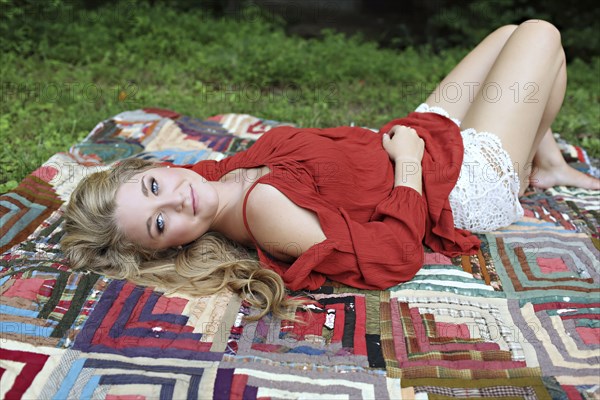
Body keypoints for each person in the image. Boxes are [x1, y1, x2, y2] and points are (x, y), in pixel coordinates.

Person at [61, 20, 600, 319]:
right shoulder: (263, 210)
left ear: (156, 166)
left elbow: (185, 183)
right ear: (171, 247)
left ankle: (546, 164)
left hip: (413, 138)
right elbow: (391, 258)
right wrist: (408, 163)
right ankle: (524, 166)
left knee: (507, 36)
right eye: (160, 223)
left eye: (154, 185)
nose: (177, 200)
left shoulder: (210, 180)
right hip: (452, 179)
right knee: (541, 35)